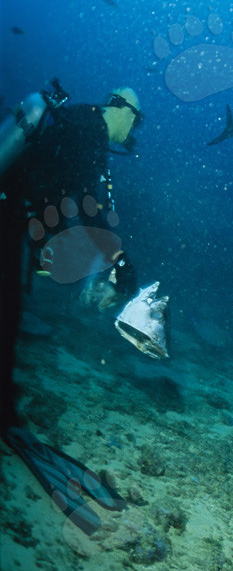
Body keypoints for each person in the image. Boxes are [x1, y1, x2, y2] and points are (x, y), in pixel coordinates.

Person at [0, 81, 144, 534]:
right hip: (5, 214)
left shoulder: (76, 121)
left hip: (10, 212)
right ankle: (4, 415)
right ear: (119, 110)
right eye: (135, 120)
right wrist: (122, 264)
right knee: (6, 314)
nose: (133, 131)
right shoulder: (89, 132)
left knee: (8, 310)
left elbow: (75, 201)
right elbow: (94, 207)